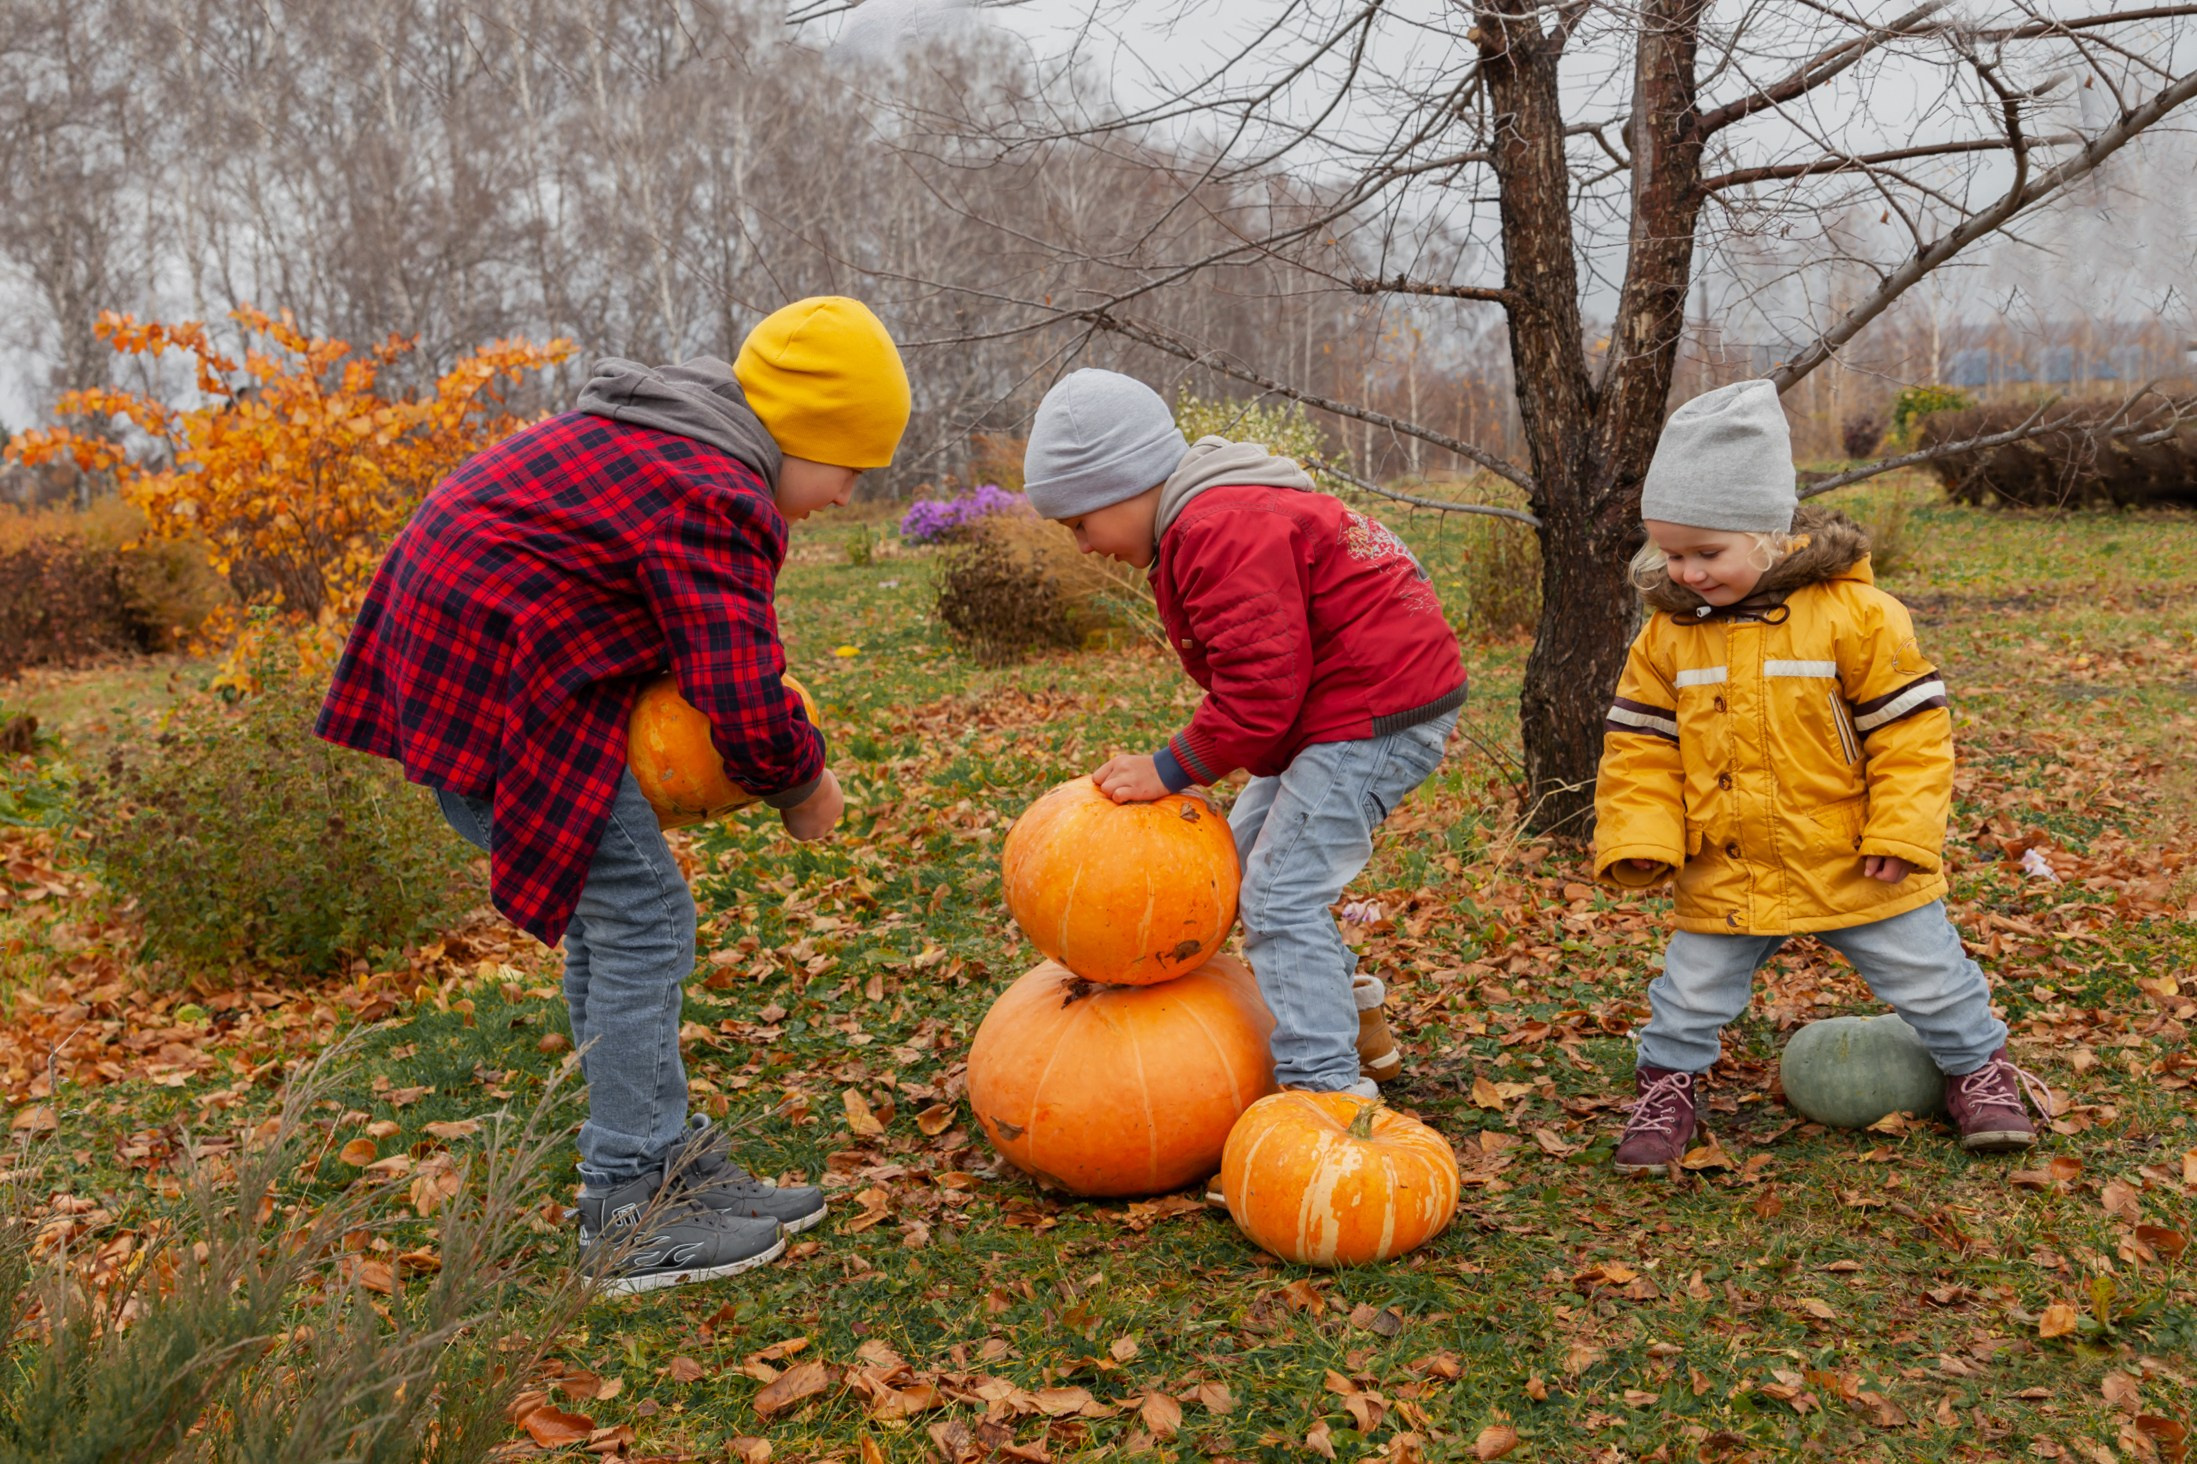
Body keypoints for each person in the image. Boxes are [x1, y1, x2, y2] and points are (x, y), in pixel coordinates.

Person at [317, 297, 910, 1292]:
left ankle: (658, 1160)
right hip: (498, 704)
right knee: (643, 916)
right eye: (850, 466)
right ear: (799, 432)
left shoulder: (666, 444)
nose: (849, 495)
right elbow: (736, 685)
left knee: (619, 918)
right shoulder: (714, 493)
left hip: (496, 685)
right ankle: (629, 1206)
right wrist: (802, 780)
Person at [1593, 379, 2049, 1174]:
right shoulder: (1667, 637)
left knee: (1930, 975)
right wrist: (1642, 835)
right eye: (1671, 554)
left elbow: (1910, 737)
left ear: (1768, 535)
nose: (1687, 572)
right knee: (1687, 993)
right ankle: (1666, 1090)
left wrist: (1901, 832)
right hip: (1727, 861)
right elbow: (1640, 749)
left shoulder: (1856, 616)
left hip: (1850, 855)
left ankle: (1977, 1072)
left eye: (1706, 553)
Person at [1020, 369, 1467, 1097]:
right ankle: (1352, 1021)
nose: (1082, 547)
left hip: (1374, 714)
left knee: (1278, 894)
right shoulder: (1212, 517)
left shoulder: (1218, 530)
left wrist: (1171, 767)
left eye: (1079, 524)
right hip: (1342, 708)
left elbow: (1260, 688)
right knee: (1235, 866)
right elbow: (1270, 674)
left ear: (1125, 486)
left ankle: (1324, 1091)